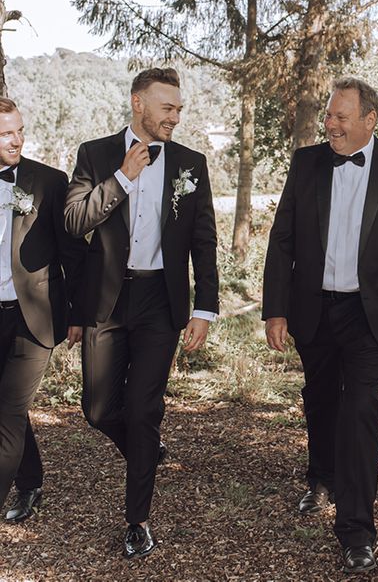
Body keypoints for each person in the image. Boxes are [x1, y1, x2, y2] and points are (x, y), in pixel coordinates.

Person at [262, 76, 378, 574]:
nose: (329, 123)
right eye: (328, 115)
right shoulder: (307, 162)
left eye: (339, 116)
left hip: (369, 313)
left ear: (368, 120)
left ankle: (357, 528)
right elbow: (283, 239)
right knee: (320, 397)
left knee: (361, 410)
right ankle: (321, 476)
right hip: (313, 306)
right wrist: (276, 307)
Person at [64, 68, 219, 558]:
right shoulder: (95, 154)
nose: (175, 116)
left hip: (160, 302)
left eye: (178, 108)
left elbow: (203, 240)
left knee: (145, 410)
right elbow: (73, 221)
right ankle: (146, 450)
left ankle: (137, 520)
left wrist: (205, 306)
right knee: (98, 409)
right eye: (166, 107)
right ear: (138, 104)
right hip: (106, 301)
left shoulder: (191, 163)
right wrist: (122, 180)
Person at [0, 97, 86, 523]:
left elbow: (75, 251)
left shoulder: (49, 182)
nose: (16, 140)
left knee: (9, 411)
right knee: (6, 409)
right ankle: (30, 481)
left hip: (33, 314)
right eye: (5, 133)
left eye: (19, 130)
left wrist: (79, 313)